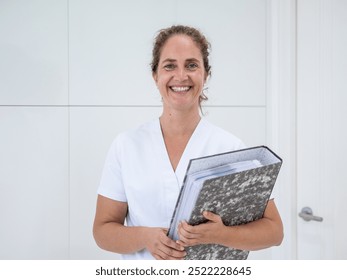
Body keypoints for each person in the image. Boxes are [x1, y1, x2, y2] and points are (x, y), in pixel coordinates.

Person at [93, 25, 283, 260]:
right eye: (169, 65)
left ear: (205, 74)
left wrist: (220, 234)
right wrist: (145, 237)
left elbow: (274, 231)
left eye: (192, 65)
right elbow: (102, 230)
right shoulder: (126, 146)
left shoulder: (230, 148)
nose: (181, 76)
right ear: (156, 75)